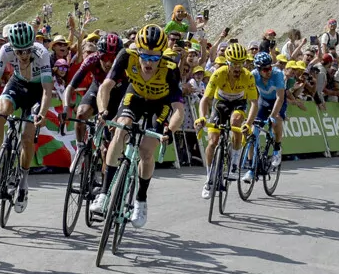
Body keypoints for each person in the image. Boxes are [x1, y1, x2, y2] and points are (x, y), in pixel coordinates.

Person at [89, 24, 186, 228]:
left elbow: (179, 109)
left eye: (154, 57)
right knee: (121, 128)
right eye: (144, 56)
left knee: (146, 151)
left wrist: (171, 130)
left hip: (159, 105)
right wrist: (102, 110)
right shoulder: (127, 55)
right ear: (137, 50)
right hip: (135, 96)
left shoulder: (170, 70)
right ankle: (104, 194)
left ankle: (141, 200)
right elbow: (105, 86)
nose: (148, 62)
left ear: (161, 54)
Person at [0, 22, 53, 213]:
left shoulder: (41, 54)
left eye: (27, 51)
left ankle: (23, 183)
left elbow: (47, 91)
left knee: (28, 138)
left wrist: (43, 113)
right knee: (1, 112)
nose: (23, 55)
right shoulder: (4, 50)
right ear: (12, 47)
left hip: (37, 91)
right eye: (19, 51)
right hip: (17, 84)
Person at [195, 42, 259, 198]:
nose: (237, 67)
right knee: (212, 141)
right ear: (227, 62)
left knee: (236, 122)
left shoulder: (248, 76)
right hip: (220, 104)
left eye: (241, 63)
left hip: (238, 103)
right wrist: (202, 117)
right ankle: (209, 178)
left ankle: (235, 163)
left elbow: (254, 103)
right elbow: (205, 99)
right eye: (234, 64)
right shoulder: (219, 73)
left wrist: (248, 125)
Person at [62, 31, 123, 149]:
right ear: (98, 54)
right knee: (81, 114)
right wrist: (65, 108)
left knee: (108, 145)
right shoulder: (91, 59)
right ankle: (80, 148)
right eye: (104, 57)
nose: (108, 62)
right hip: (97, 89)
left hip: (117, 95)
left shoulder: (124, 64)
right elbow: (70, 86)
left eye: (113, 58)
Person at [247, 51, 286, 182]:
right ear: (258, 69)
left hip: (277, 100)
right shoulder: (253, 76)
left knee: (276, 120)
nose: (269, 71)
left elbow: (280, 98)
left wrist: (273, 115)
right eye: (265, 69)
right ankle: (251, 168)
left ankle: (276, 148)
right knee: (253, 133)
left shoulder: (277, 74)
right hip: (263, 101)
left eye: (270, 67)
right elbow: (251, 97)